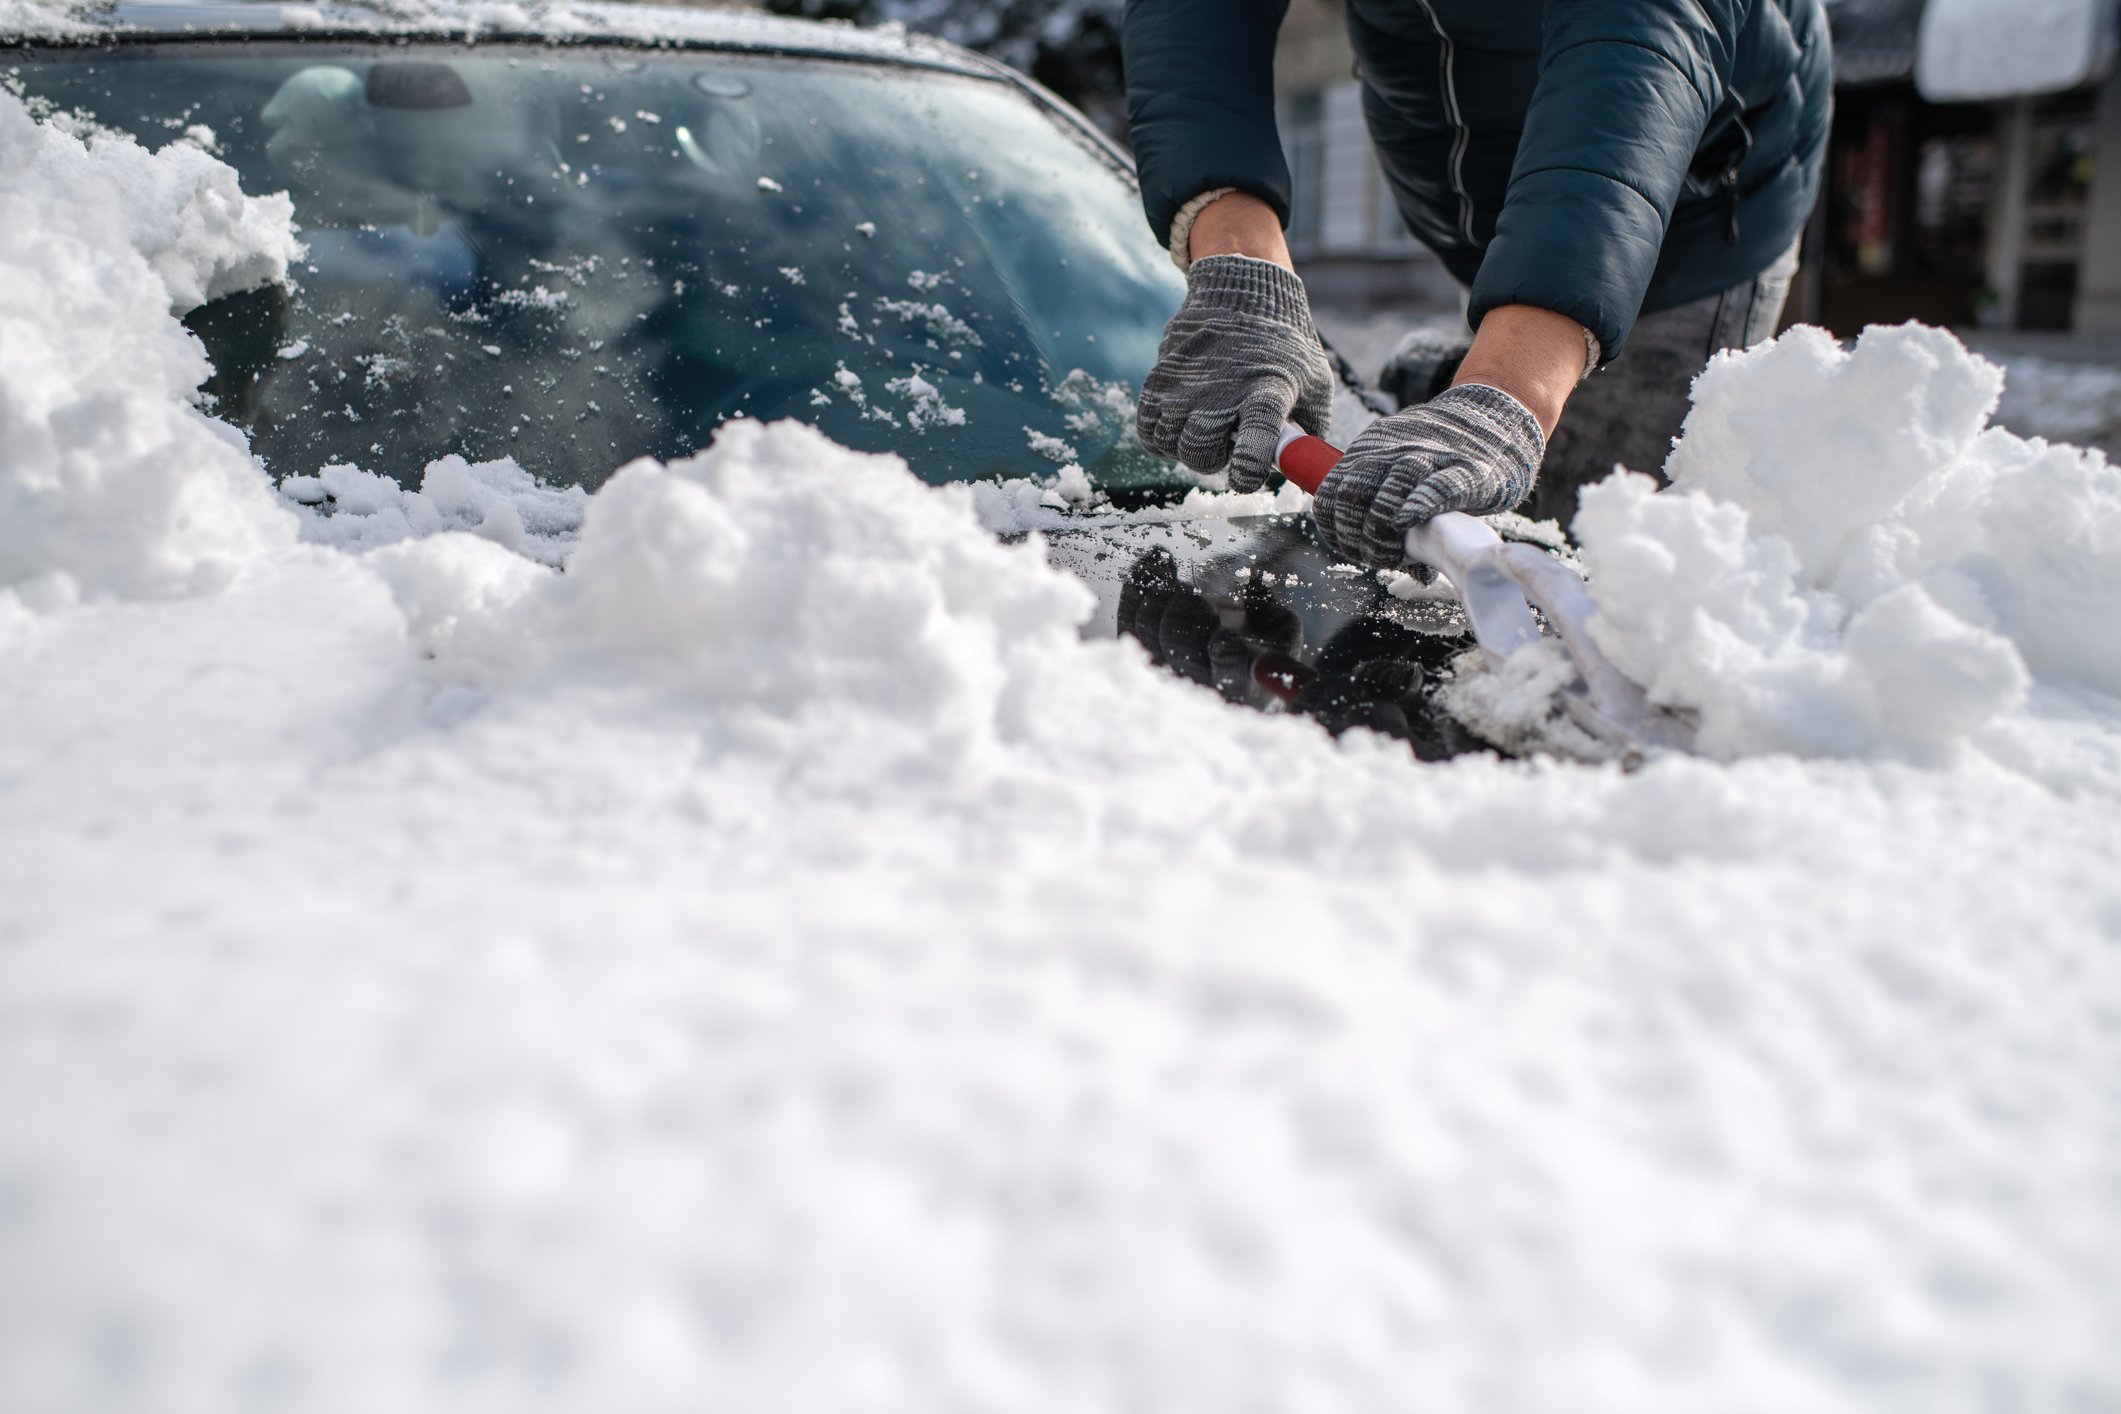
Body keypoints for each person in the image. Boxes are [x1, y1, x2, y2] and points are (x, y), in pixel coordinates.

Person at [1123, 0, 1832, 560]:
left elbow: (1631, 60)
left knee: (1592, 540)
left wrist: (1507, 393)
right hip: (1494, 200)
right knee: (1475, 474)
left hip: (1688, 213)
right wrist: (1242, 266)